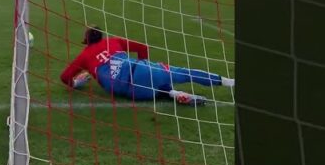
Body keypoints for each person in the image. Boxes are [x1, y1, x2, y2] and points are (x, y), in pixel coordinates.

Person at [60, 26, 234, 106]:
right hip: (140, 70)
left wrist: (76, 83)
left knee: (155, 89)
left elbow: (64, 77)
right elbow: (143, 48)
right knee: (184, 73)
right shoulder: (112, 41)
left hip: (128, 91)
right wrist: (143, 65)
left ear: (86, 41)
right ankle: (229, 82)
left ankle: (174, 94)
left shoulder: (84, 56)